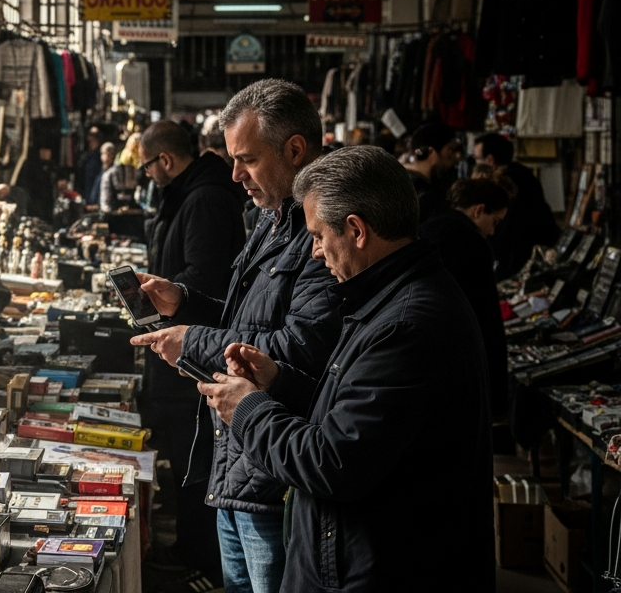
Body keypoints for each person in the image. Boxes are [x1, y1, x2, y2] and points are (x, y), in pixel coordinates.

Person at [197, 146, 493, 590]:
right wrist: (277, 382)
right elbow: (352, 416)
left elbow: (334, 461)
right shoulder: (384, 298)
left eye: (318, 236)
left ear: (356, 230)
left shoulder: (407, 325)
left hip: (383, 571)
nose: (315, 253)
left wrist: (248, 410)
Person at [131, 79, 342, 593]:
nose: (235, 175)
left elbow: (299, 346)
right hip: (237, 463)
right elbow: (247, 318)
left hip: (273, 473)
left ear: (294, 149)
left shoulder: (323, 231)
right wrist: (183, 302)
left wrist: (193, 341)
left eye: (247, 159)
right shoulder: (272, 217)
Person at [136, 120, 246, 581]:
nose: (147, 176)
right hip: (185, 345)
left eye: (147, 166)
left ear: (164, 160)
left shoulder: (204, 199)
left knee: (192, 460)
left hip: (195, 354)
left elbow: (205, 276)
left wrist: (170, 297)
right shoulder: (190, 194)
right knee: (186, 458)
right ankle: (193, 551)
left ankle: (197, 558)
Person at [419, 177, 511, 416]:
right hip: (458, 360)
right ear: (479, 210)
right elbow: (484, 316)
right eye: (494, 221)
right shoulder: (472, 244)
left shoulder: (426, 230)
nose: (492, 231)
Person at [474, 132, 560, 278]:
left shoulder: (504, 183)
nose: (476, 164)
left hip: (519, 255)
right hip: (533, 249)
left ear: (490, 160)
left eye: (477, 159)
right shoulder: (523, 173)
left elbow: (509, 228)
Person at [400, 122, 461, 223]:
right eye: (450, 149)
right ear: (430, 151)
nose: (457, 156)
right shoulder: (428, 198)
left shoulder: (398, 178)